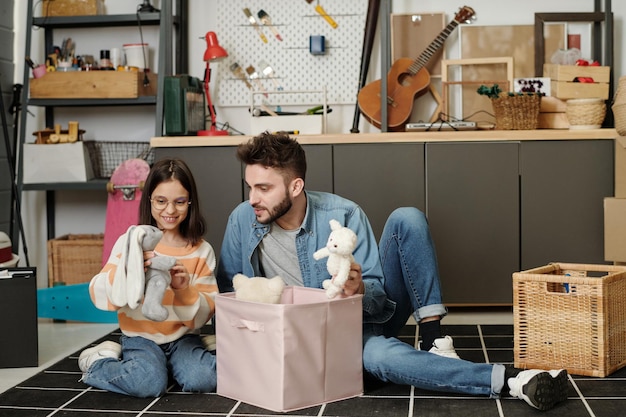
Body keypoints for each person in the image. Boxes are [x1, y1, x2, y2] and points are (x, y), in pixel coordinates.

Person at [216, 132, 569, 411]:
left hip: (358, 322)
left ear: (295, 186)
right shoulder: (242, 221)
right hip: (304, 342)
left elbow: (378, 296)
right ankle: (513, 381)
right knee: (380, 356)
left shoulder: (344, 213)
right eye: (250, 186)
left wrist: (357, 290)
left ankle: (433, 342)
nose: (252, 198)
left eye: (263, 188)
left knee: (407, 218)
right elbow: (233, 295)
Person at [78, 157, 218, 398]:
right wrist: (127, 273)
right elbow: (97, 291)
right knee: (149, 383)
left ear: (190, 202)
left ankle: (190, 357)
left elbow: (208, 310)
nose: (170, 211)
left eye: (180, 202)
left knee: (203, 378)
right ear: (150, 200)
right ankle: (97, 363)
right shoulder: (130, 243)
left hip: (183, 338)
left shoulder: (201, 250)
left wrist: (184, 290)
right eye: (161, 201)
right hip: (140, 337)